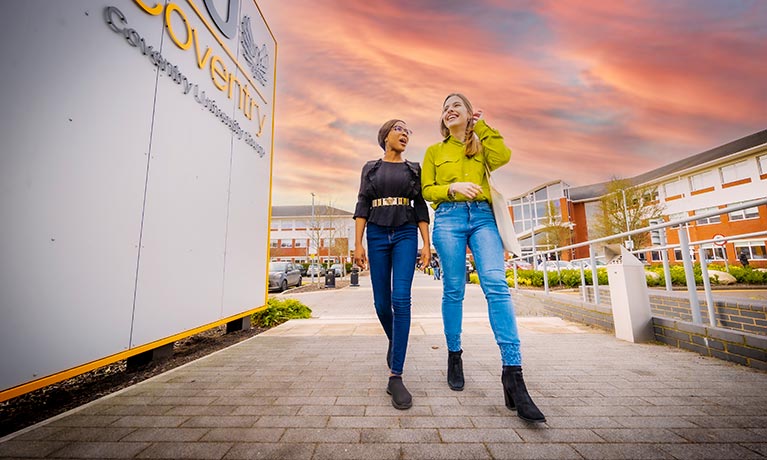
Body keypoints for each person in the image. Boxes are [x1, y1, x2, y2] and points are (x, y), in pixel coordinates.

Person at [421, 93, 545, 423]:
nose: (449, 110)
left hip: (483, 218)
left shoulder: (479, 146)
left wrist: (483, 126)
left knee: (496, 284)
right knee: (454, 290)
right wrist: (453, 188)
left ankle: (513, 373)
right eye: (445, 108)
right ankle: (454, 355)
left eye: (456, 106)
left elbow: (503, 155)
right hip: (448, 218)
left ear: (467, 113)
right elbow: (427, 189)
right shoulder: (435, 151)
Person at [353, 119, 431, 410]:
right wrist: (358, 243)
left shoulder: (414, 169)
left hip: (406, 232)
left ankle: (395, 375)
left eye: (408, 131)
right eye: (399, 129)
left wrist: (426, 243)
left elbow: (421, 206)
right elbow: (362, 203)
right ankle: (395, 341)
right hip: (375, 232)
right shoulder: (370, 168)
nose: (405, 134)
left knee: (401, 299)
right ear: (385, 136)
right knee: (381, 303)